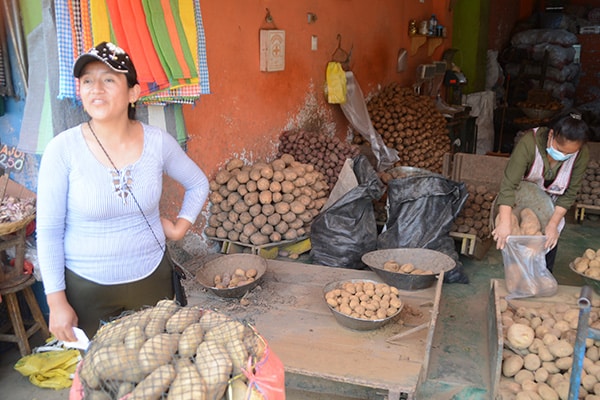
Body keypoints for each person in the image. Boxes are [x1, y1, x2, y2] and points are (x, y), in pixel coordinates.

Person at [36, 42, 209, 342]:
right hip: (87, 289)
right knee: (100, 368)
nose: (96, 89)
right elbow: (49, 232)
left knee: (158, 361)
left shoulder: (157, 142)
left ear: (133, 92)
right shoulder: (62, 150)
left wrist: (180, 228)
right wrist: (56, 302)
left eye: (108, 79)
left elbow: (198, 183)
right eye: (87, 81)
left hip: (152, 280)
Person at [492, 111, 590, 271]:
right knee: (513, 249)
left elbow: (570, 194)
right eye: (560, 149)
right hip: (519, 200)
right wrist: (504, 221)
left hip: (551, 206)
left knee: (546, 248)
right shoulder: (529, 143)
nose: (562, 156)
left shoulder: (581, 155)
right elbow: (509, 185)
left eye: (569, 154)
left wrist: (553, 224)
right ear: (551, 134)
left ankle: (541, 276)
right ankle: (516, 276)